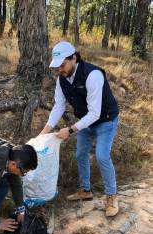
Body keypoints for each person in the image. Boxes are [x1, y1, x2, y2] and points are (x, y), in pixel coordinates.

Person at [40, 41, 119, 217]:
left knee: (101, 156)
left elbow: (95, 112)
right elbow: (58, 106)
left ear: (73, 58)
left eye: (62, 65)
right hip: (86, 121)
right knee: (80, 154)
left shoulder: (93, 75)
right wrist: (46, 130)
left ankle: (112, 196)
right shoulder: (61, 79)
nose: (60, 69)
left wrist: (69, 130)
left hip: (106, 120)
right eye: (57, 66)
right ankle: (85, 190)